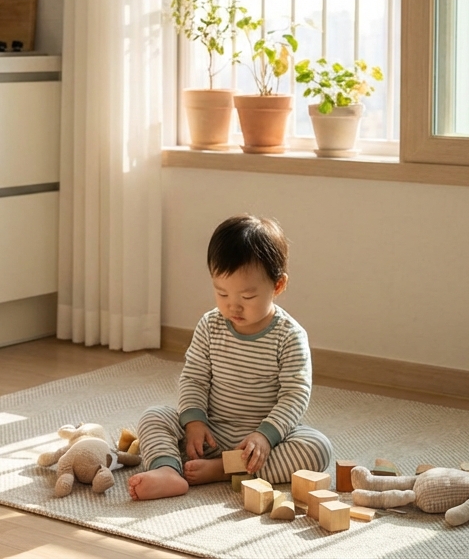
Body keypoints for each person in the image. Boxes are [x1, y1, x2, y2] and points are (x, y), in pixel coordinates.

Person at [127, 214, 333, 500]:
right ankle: (168, 471)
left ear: (278, 286)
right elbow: (194, 378)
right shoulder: (210, 325)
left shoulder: (289, 336)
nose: (232, 306)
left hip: (258, 445)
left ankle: (225, 470)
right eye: (221, 293)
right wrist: (195, 422)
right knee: (154, 417)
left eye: (247, 297)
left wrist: (265, 435)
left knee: (317, 447)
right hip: (210, 434)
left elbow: (295, 395)